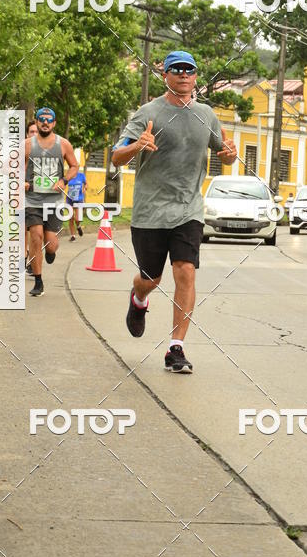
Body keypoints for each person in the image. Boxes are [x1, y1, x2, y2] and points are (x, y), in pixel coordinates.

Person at [111, 50, 237, 373]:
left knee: (186, 271)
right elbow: (116, 157)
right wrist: (137, 146)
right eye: (176, 69)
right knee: (151, 278)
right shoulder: (147, 112)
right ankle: (138, 298)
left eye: (189, 70)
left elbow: (223, 154)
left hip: (188, 210)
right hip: (150, 211)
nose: (183, 75)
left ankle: (175, 347)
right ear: (165, 74)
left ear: (195, 76)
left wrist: (230, 155)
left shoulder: (206, 115)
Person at [24, 107, 78, 297]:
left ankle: (51, 252)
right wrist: (21, 181)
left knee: (51, 243)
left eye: (49, 120)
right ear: (36, 122)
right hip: (32, 200)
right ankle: (38, 282)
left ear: (54, 123)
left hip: (54, 201)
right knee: (36, 236)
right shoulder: (27, 145)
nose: (45, 123)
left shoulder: (63, 145)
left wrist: (64, 180)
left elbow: (74, 166)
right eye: (41, 120)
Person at [24, 119, 38, 276]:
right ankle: (25, 257)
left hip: (40, 198)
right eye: (31, 131)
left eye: (36, 131)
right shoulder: (23, 148)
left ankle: (33, 261)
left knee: (36, 233)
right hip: (23, 196)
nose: (34, 134)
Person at [67, 168, 87, 241]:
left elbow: (86, 183)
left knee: (77, 218)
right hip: (70, 199)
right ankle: (73, 236)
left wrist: (85, 188)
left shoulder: (81, 175)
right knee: (71, 218)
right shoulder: (68, 175)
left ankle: (78, 226)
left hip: (79, 199)